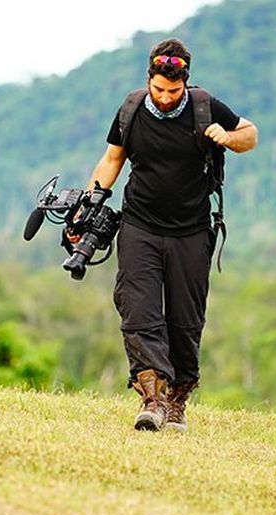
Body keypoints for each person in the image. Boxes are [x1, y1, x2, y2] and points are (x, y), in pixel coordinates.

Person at [85, 37, 258, 431]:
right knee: (138, 310)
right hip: (139, 224)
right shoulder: (131, 109)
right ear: (149, 80)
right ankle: (151, 399)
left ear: (185, 82)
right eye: (158, 89)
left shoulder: (204, 106)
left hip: (190, 232)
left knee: (184, 321)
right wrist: (90, 201)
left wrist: (228, 137)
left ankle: (177, 400)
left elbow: (250, 134)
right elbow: (112, 159)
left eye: (173, 91)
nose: (164, 98)